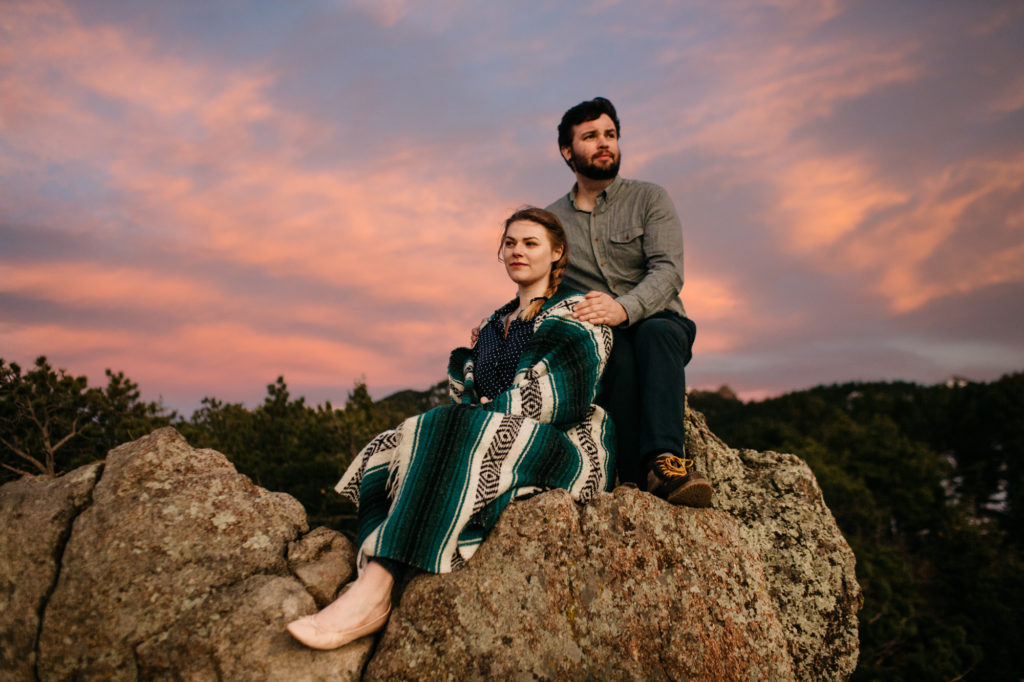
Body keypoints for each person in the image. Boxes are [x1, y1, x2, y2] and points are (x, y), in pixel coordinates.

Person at [287, 207, 614, 651]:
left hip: (563, 442)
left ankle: (375, 590)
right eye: (510, 243)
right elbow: (468, 392)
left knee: (450, 426)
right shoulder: (494, 324)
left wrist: (483, 412)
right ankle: (375, 567)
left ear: (557, 252)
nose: (517, 251)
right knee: (394, 442)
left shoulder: (577, 308)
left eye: (530, 243)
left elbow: (564, 392)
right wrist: (476, 369)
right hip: (492, 431)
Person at [544, 97, 710, 507]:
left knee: (653, 334)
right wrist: (503, 320)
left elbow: (668, 271)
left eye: (611, 134)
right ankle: (634, 478)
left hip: (661, 320)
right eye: (590, 136)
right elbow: (541, 286)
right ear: (567, 151)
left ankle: (666, 462)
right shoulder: (552, 222)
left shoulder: (650, 198)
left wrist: (623, 309)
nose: (604, 143)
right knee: (613, 352)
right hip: (604, 334)